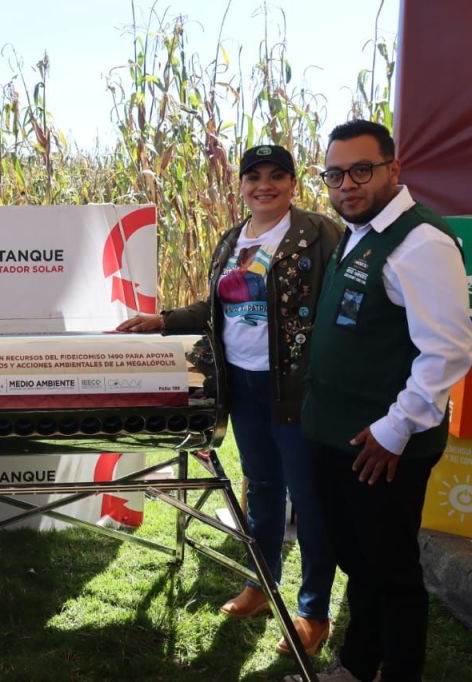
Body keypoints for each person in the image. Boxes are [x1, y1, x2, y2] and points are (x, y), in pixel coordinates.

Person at [117, 145, 342, 655]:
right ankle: (261, 585)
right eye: (254, 177)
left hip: (295, 387)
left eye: (277, 176)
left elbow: (336, 305)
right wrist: (163, 320)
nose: (265, 186)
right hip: (242, 383)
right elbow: (217, 307)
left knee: (308, 497)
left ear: (293, 183)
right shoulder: (232, 239)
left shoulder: (317, 233)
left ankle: (313, 612)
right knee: (261, 489)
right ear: (241, 185)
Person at [292, 120, 472, 682]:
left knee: (391, 571)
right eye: (335, 174)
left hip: (383, 445)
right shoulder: (360, 232)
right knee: (360, 563)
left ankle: (398, 672)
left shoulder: (422, 243)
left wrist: (395, 429)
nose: (347, 184)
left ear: (394, 169)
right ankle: (356, 665)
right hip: (341, 436)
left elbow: (447, 351)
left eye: (362, 170)